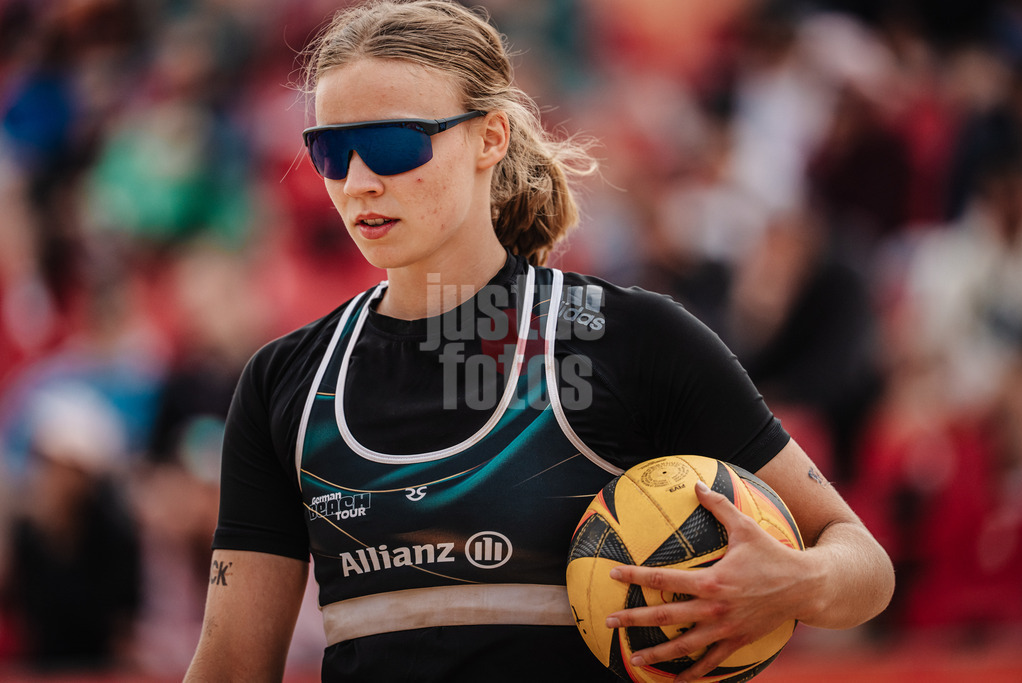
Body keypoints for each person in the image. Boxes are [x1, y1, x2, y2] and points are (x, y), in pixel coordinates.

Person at [184, 2, 895, 682]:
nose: (359, 182)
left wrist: (793, 580)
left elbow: (864, 565)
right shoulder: (287, 383)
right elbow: (230, 668)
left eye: (394, 145)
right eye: (332, 151)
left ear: (490, 137)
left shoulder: (632, 340)